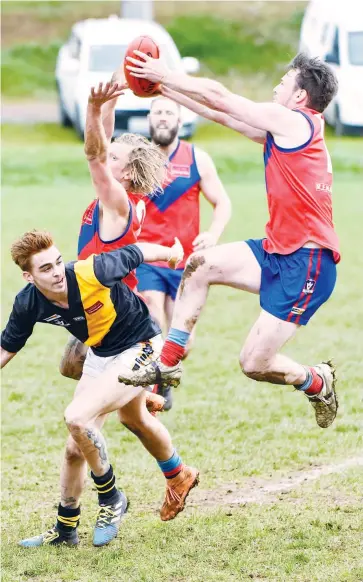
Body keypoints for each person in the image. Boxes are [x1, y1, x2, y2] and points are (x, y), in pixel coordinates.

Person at [121, 52, 340, 429]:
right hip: (275, 251)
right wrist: (166, 89)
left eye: (284, 83)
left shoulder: (296, 121)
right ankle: (168, 361)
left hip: (308, 263)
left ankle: (317, 380)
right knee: (200, 266)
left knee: (253, 364)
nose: (276, 88)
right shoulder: (285, 128)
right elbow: (222, 114)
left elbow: (222, 96)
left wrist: (166, 74)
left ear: (301, 97)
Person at [1, 230, 199, 547]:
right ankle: (67, 528)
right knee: (94, 438)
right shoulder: (29, 302)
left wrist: (171, 252)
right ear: (28, 276)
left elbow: (136, 251)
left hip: (141, 346)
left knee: (77, 418)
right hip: (101, 354)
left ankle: (111, 497)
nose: (56, 273)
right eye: (45, 269)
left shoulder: (90, 271)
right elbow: (6, 348)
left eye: (57, 262)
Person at [60, 72, 166, 382]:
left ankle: (150, 382)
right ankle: (147, 393)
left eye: (115, 156)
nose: (108, 157)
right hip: (105, 301)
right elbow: (102, 145)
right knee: (128, 414)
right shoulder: (119, 195)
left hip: (111, 308)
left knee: (78, 383)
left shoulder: (118, 203)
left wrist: (93, 107)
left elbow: (95, 152)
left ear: (129, 173)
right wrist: (113, 100)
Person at [136, 96, 231, 409]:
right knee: (151, 319)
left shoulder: (196, 158)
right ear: (149, 119)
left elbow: (222, 203)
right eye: (157, 112)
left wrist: (213, 234)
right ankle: (152, 391)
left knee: (184, 342)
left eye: (168, 113)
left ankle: (162, 377)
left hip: (186, 262)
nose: (163, 118)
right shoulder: (137, 158)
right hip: (149, 257)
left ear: (179, 120)